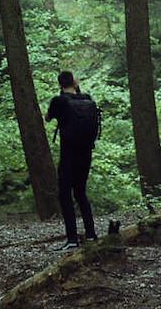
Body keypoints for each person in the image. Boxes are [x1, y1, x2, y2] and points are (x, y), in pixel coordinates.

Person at [45, 70, 99, 251]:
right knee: (81, 193)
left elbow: (48, 117)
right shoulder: (88, 98)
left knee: (65, 194)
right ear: (75, 82)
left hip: (69, 153)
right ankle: (91, 234)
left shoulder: (58, 101)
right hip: (86, 153)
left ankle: (72, 239)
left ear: (60, 84)